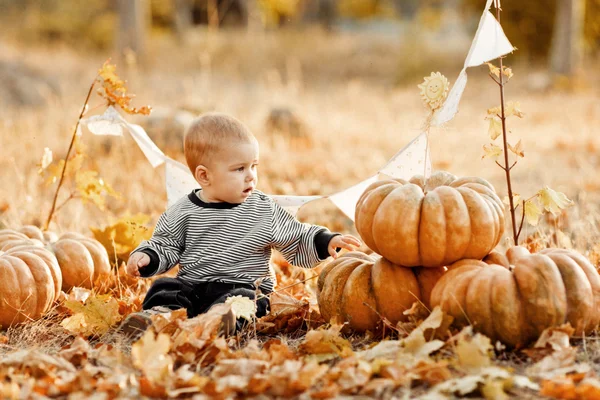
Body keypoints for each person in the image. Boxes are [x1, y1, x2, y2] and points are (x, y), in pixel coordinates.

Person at [118, 112, 361, 339]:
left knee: (244, 301)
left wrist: (324, 240)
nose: (251, 176)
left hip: (242, 286)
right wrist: (148, 256)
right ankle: (158, 319)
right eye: (239, 169)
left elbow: (295, 235)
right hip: (194, 286)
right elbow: (166, 243)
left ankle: (219, 322)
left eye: (254, 166)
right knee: (165, 288)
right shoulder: (184, 211)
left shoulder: (262, 209)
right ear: (205, 176)